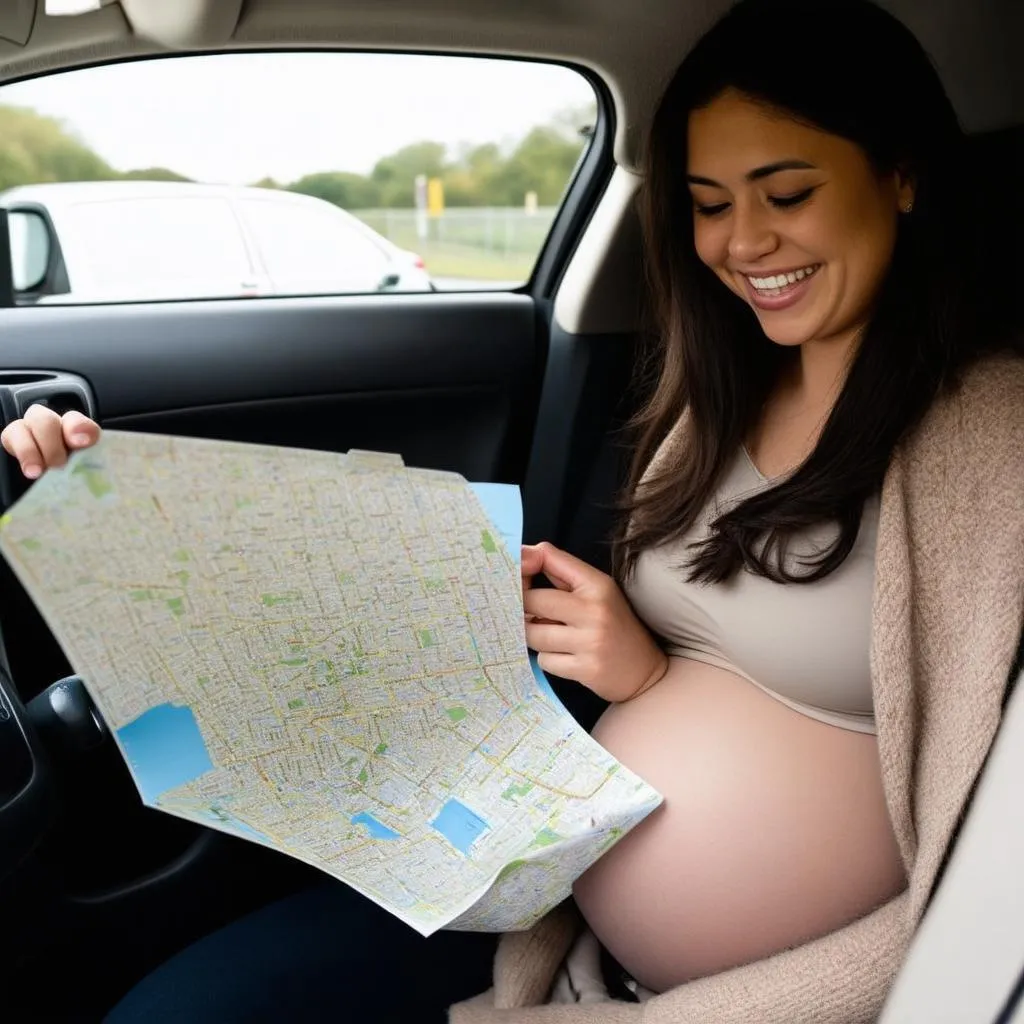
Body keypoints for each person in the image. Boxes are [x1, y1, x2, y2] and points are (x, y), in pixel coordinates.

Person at [4, 0, 1023, 1021]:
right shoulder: (721, 394)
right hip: (551, 921)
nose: (743, 241)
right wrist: (124, 506)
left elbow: (981, 873)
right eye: (708, 204)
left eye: (786, 191)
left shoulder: (991, 438)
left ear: (900, 173)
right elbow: (696, 662)